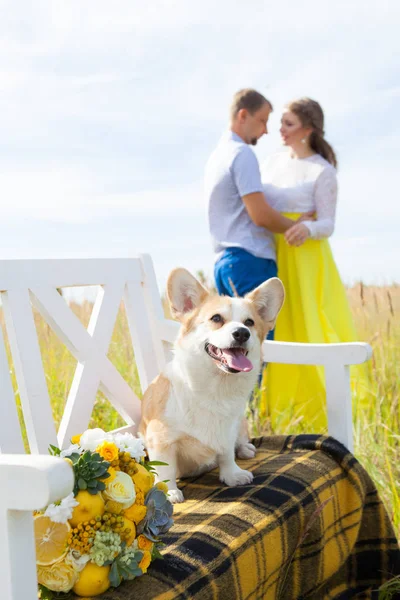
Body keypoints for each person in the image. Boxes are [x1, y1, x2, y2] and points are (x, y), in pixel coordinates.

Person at [260, 97, 368, 431]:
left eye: (288, 123)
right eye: (281, 122)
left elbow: (328, 224)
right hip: (274, 250)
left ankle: (322, 411)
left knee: (310, 326)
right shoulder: (274, 162)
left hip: (306, 259)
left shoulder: (323, 170)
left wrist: (305, 226)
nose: (281, 129)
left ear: (308, 129)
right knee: (277, 326)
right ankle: (277, 411)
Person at [205, 89, 311, 323]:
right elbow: (260, 214)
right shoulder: (242, 154)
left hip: (225, 263)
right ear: (243, 115)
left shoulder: (217, 156)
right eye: (262, 120)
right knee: (256, 351)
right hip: (249, 261)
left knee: (232, 353)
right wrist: (297, 226)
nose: (265, 130)